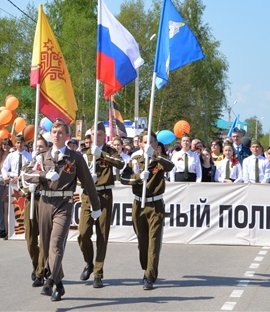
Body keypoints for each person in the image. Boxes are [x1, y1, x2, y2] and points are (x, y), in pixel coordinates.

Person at [23, 118, 102, 302]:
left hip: (64, 203)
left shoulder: (74, 158)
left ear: (67, 136)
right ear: (50, 135)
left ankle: (49, 281)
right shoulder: (42, 156)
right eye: (54, 132)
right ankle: (59, 284)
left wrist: (96, 206)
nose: (57, 135)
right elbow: (25, 174)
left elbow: (88, 183)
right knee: (46, 246)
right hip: (45, 202)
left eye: (60, 133)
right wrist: (42, 174)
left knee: (56, 243)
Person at [120, 131, 174, 290]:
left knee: (154, 242)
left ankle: (150, 275)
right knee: (142, 242)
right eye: (145, 142)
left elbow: (170, 167)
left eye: (151, 142)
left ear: (156, 145)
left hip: (155, 204)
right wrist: (138, 178)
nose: (147, 145)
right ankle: (146, 267)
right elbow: (123, 179)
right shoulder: (135, 160)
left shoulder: (160, 160)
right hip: (139, 205)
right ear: (140, 144)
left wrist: (155, 155)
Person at [79, 122, 125, 289]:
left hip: (104, 194)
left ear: (104, 136)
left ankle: (98, 273)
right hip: (87, 195)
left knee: (102, 234)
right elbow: (74, 171)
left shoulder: (110, 151)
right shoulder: (84, 153)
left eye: (97, 135)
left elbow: (120, 164)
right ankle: (88, 263)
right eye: (92, 135)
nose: (94, 138)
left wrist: (103, 155)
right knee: (83, 232)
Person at [21, 135, 48, 286]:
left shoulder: (49, 165)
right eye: (37, 147)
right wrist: (27, 188)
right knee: (30, 240)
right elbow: (21, 180)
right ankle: (37, 265)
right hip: (30, 201)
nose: (39, 149)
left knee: (44, 240)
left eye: (42, 147)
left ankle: (40, 272)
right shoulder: (28, 166)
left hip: (44, 201)